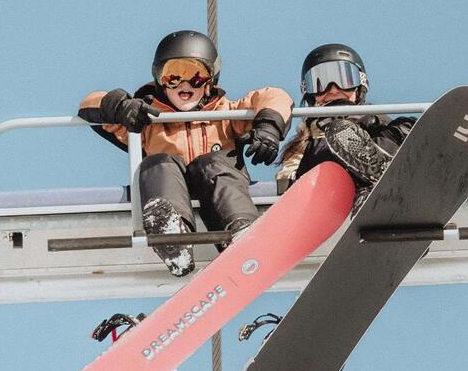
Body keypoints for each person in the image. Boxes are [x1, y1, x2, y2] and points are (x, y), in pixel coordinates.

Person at [78, 31, 291, 277]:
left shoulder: (225, 114)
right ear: (160, 79)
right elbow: (89, 103)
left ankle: (242, 228)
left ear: (210, 79)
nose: (184, 84)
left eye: (196, 76)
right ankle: (172, 233)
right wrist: (121, 106)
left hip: (218, 191)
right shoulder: (149, 121)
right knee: (158, 163)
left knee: (214, 164)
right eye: (173, 76)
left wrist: (268, 127)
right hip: (170, 188)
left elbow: (275, 96)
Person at [275, 43, 415, 209]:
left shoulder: (379, 125)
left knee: (404, 127)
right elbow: (288, 184)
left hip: (386, 182)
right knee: (326, 144)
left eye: (345, 79)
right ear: (310, 93)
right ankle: (365, 185)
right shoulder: (303, 144)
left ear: (360, 86)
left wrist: (368, 122)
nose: (333, 90)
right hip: (323, 198)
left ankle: (378, 178)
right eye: (320, 83)